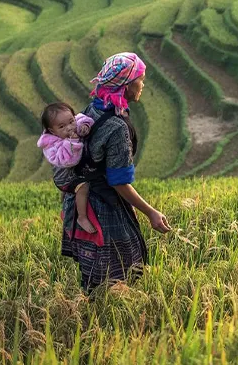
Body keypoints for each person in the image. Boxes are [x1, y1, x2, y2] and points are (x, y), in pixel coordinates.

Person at [60, 51, 172, 293]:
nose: (143, 84)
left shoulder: (93, 109)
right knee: (122, 267)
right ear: (127, 85)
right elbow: (119, 182)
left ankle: (90, 311)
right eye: (140, 79)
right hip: (103, 205)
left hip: (81, 200)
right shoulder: (117, 127)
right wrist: (151, 212)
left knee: (93, 272)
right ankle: (103, 318)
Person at [37, 102, 97, 233]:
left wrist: (84, 126)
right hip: (64, 178)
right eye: (62, 126)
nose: (69, 127)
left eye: (71, 121)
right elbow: (69, 162)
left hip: (73, 172)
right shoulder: (51, 145)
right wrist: (73, 142)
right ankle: (82, 217)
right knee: (83, 186)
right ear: (52, 131)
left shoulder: (75, 122)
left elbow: (83, 118)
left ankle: (67, 205)